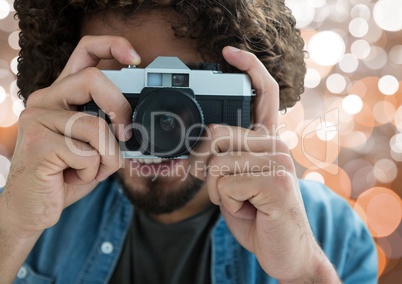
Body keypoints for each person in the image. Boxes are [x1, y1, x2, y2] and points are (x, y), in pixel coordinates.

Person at [0, 0, 377, 283]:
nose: (160, 124)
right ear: (77, 89)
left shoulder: (334, 234)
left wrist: (305, 273)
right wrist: (14, 227)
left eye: (186, 93)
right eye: (126, 90)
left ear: (248, 93)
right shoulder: (29, 200)